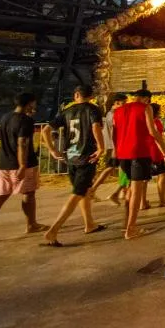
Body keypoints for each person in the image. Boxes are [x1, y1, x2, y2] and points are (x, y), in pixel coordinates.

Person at [0, 92, 48, 245]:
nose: (35, 107)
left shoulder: (5, 117)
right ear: (29, 104)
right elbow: (22, 143)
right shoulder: (26, 121)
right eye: (34, 104)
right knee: (29, 193)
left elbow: (2, 137)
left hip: (4, 164)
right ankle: (31, 224)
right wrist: (22, 165)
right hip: (23, 164)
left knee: (1, 196)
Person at [40, 85, 107, 246]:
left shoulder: (67, 111)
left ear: (77, 95)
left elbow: (45, 131)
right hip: (86, 157)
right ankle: (53, 230)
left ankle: (89, 224)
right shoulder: (93, 110)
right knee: (77, 193)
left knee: (83, 191)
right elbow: (96, 127)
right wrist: (101, 147)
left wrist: (52, 150)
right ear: (91, 96)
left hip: (70, 158)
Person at [112, 88, 165, 239]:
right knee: (136, 189)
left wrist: (116, 151)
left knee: (130, 189)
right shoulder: (146, 108)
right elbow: (152, 130)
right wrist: (164, 148)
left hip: (123, 154)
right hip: (139, 152)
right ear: (146, 99)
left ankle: (127, 223)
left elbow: (114, 133)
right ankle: (131, 228)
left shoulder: (119, 110)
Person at [88, 92, 126, 201]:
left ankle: (122, 192)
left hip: (114, 145)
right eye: (123, 103)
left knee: (119, 169)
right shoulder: (114, 114)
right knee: (112, 168)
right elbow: (115, 131)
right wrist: (116, 146)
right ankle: (93, 190)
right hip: (116, 146)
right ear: (116, 103)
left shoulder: (111, 113)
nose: (125, 105)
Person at [146, 102, 165, 208]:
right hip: (155, 150)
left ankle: (142, 202)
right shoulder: (155, 122)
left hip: (146, 149)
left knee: (144, 178)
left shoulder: (145, 121)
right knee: (162, 174)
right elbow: (157, 138)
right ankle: (162, 200)